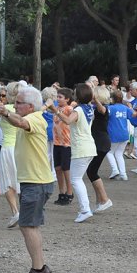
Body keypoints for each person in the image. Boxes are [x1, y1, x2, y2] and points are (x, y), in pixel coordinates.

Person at [0, 86, 55, 273]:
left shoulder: (35, 118)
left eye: (19, 102)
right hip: (34, 181)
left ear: (30, 106)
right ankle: (39, 267)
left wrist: (5, 111)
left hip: (36, 182)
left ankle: (38, 269)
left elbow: (20, 122)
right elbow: (15, 121)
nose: (15, 104)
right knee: (30, 224)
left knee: (28, 225)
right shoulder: (32, 117)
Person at [47, 84, 98, 223]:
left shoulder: (80, 109)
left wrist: (55, 110)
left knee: (75, 179)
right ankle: (85, 208)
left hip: (81, 148)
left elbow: (68, 120)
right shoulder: (88, 108)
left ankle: (85, 209)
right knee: (77, 178)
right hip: (88, 147)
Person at [0, 82, 22, 227]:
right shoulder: (24, 109)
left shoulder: (5, 108)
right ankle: (23, 211)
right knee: (21, 180)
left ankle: (15, 211)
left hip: (8, 147)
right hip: (20, 148)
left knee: (7, 182)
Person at [85, 86, 114, 212]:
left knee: (92, 172)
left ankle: (104, 199)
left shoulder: (104, 109)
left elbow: (102, 110)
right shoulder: (93, 109)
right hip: (99, 143)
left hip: (101, 143)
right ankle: (100, 200)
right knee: (91, 171)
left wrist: (95, 100)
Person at [52, 87, 74, 205]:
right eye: (57, 97)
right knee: (58, 168)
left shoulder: (68, 109)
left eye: (60, 97)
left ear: (67, 99)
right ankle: (61, 192)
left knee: (66, 169)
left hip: (66, 143)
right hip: (57, 142)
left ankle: (69, 192)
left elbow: (70, 117)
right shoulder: (57, 109)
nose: (58, 99)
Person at [106, 90, 133, 181]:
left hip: (113, 134)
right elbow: (132, 115)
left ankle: (115, 170)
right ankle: (123, 174)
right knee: (119, 154)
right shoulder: (125, 108)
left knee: (109, 152)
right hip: (124, 134)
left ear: (112, 99)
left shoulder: (111, 108)